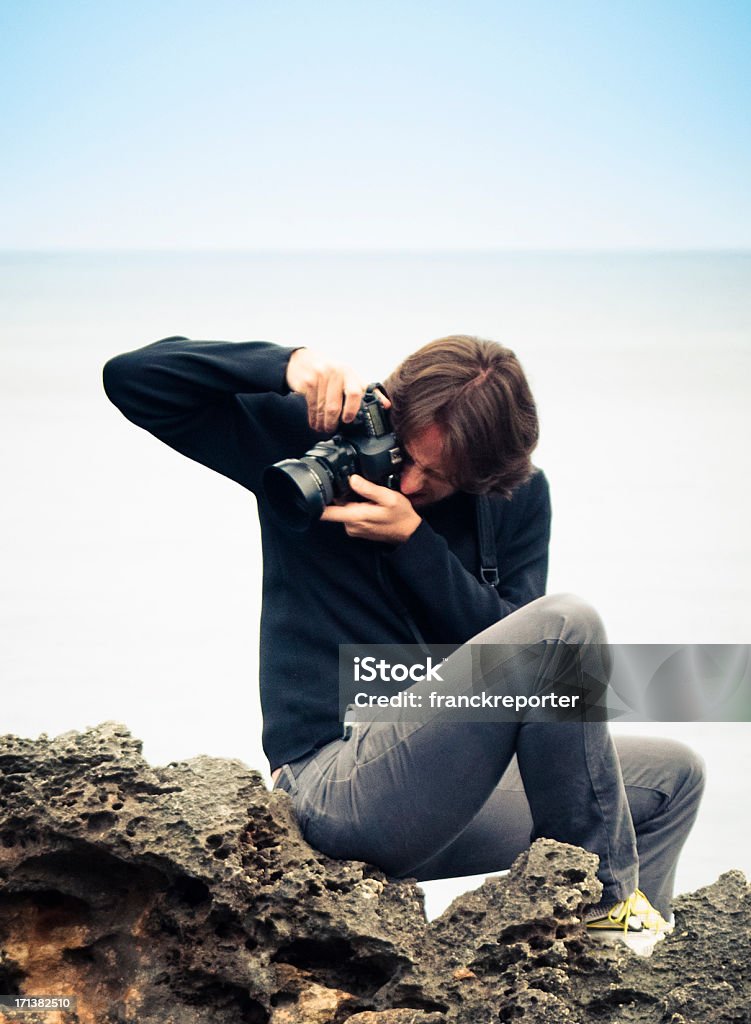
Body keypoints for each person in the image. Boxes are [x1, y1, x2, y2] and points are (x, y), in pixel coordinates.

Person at [103, 334, 705, 948]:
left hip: (447, 794)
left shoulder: (516, 500)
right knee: (567, 623)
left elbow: (517, 671)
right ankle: (603, 909)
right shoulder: (312, 445)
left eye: (439, 478)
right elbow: (133, 379)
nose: (410, 484)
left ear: (485, 476)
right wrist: (284, 365)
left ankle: (613, 976)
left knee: (672, 778)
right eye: (406, 458)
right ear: (390, 412)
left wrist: (414, 543)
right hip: (332, 788)